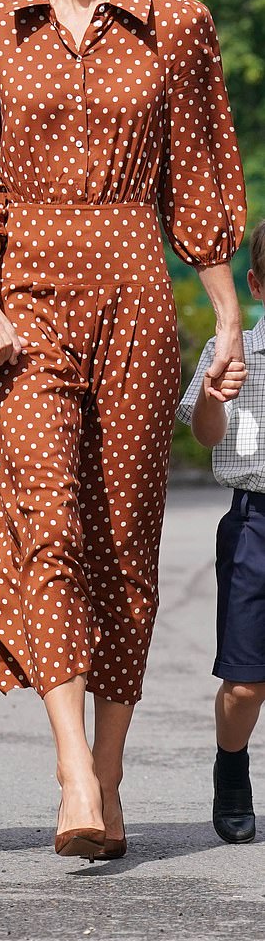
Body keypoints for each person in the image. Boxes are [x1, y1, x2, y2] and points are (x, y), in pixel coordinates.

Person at [0, 0, 246, 860]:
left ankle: (108, 770)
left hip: (134, 293)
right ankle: (72, 763)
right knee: (50, 521)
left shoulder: (179, 24)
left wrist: (228, 318)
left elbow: (200, 178)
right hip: (24, 299)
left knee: (122, 539)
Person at [176, 222, 265, 845]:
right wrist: (212, 395)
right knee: (245, 681)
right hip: (256, 520)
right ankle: (231, 766)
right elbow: (206, 434)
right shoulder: (234, 354)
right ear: (257, 285)